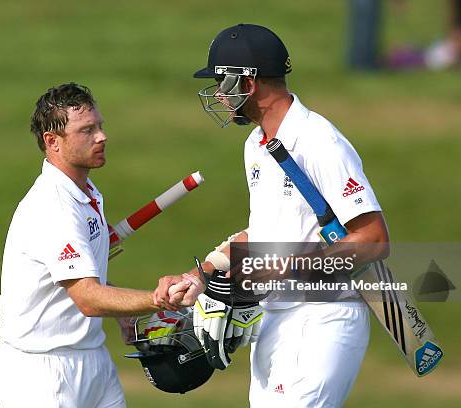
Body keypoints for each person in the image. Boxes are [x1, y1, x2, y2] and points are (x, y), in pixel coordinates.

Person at [157, 24, 390, 407]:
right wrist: (200, 275)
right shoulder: (256, 144)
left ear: (248, 84)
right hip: (272, 318)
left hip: (322, 318)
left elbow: (373, 240)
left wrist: (282, 266)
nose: (217, 92)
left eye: (222, 80)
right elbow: (266, 232)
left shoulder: (319, 141)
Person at [0, 82, 197, 408]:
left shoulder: (86, 193)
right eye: (87, 130)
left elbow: (84, 276)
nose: (102, 136)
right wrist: (156, 300)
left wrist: (123, 315)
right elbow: (86, 297)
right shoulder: (54, 207)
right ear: (52, 142)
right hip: (42, 373)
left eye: (99, 125)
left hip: (92, 357)